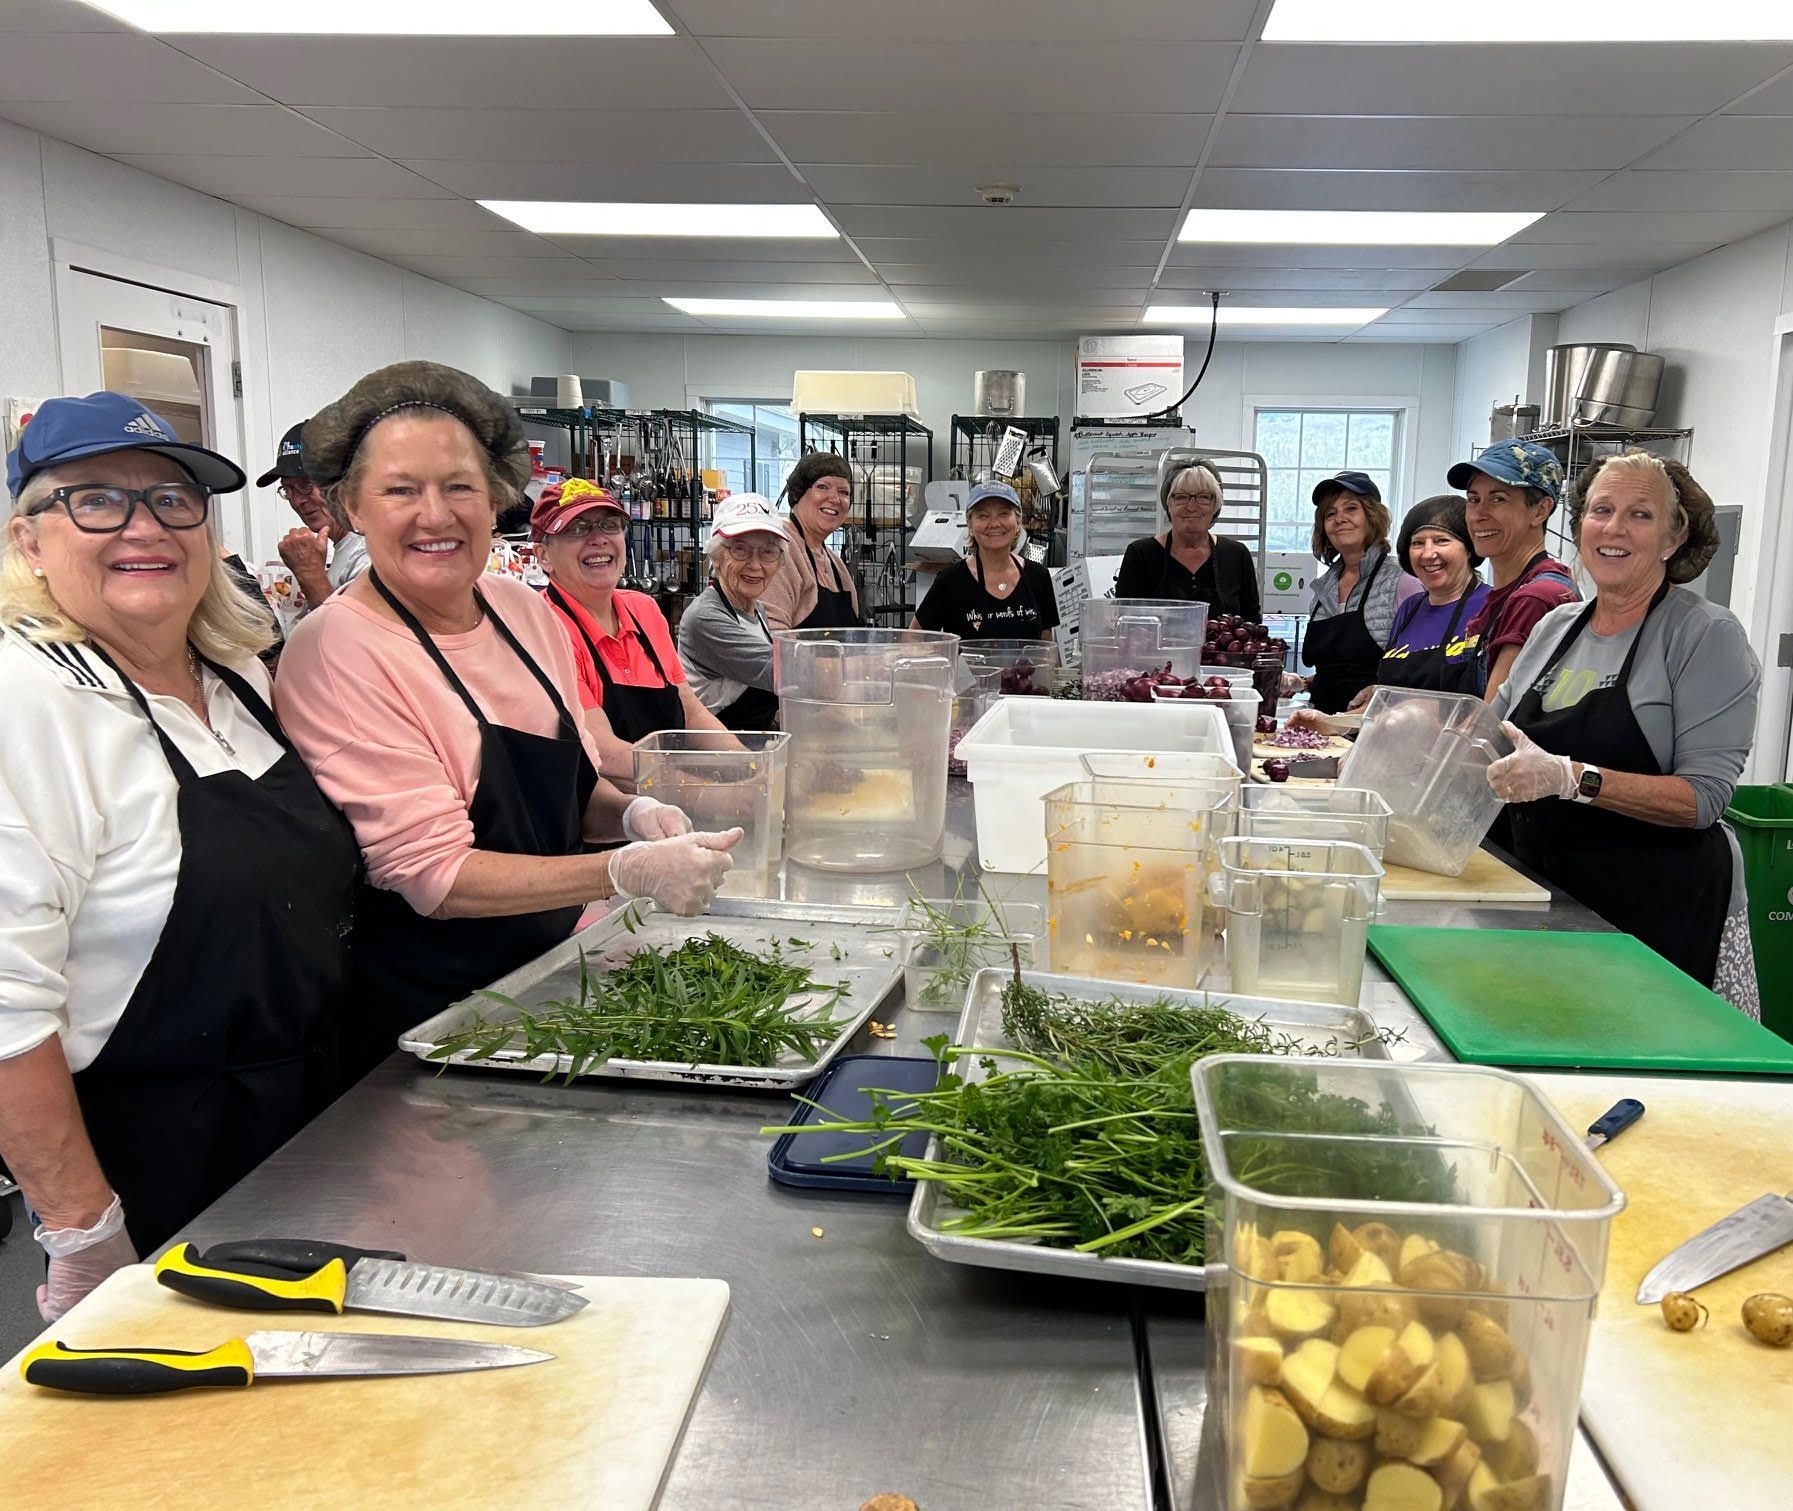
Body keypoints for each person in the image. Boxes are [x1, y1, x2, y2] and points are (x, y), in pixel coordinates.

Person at [274, 362, 740, 1082]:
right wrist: (625, 870)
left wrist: (633, 815)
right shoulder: (338, 649)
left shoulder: (523, 612)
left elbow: (566, 786)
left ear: (496, 499)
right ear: (350, 509)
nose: (435, 514)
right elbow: (435, 875)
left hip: (552, 983)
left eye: (459, 485)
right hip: (435, 1026)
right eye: (400, 489)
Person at [0, 392, 359, 1318]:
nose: (143, 526)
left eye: (172, 499)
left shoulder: (235, 672)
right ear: (28, 540)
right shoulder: (28, 699)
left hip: (304, 1130)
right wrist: (84, 1231)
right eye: (94, 500)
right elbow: (6, 1013)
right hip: (158, 1161)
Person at [1487, 451, 1761, 1009]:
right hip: (1551, 896)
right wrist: (1393, 729)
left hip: (1658, 913)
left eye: (1639, 515)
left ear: (1672, 537)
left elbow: (1703, 799)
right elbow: (1492, 738)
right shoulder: (1556, 626)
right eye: (1600, 510)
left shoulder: (1705, 634)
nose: (1613, 528)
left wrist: (1572, 778)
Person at [534, 476, 730, 782]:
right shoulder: (543, 628)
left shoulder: (644, 610)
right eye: (577, 528)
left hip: (672, 799)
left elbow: (690, 710)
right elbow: (604, 750)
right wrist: (704, 792)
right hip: (604, 818)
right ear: (544, 556)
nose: (598, 538)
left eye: (609, 525)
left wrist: (752, 768)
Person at [1447, 439, 1579, 703]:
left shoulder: (1536, 598)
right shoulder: (1506, 594)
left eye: (1498, 499)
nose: (1478, 514)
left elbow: (1491, 722)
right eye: (1473, 499)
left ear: (1540, 510)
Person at [1301, 471, 1421, 714]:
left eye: (1351, 509)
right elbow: (1336, 671)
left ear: (1372, 517)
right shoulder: (1322, 588)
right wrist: (1303, 683)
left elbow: (1418, 671)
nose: (1340, 519)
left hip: (1378, 724)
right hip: (1323, 724)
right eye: (1330, 514)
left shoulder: (1403, 580)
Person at [1362, 495, 1491, 701]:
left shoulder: (1491, 606)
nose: (1428, 554)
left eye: (1442, 540)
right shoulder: (1409, 608)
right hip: (1398, 731)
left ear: (1469, 549)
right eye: (1418, 543)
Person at [678, 493, 787, 730]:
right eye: (740, 550)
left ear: (779, 561)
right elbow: (781, 671)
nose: (755, 565)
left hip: (751, 749)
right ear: (716, 557)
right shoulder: (705, 617)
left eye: (767, 552)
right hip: (713, 757)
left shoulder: (757, 611)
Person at [913, 480, 1059, 641]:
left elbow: (1046, 646)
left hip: (1028, 667)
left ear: (1018, 522)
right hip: (967, 668)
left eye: (1004, 513)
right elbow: (913, 639)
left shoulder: (1038, 577)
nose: (994, 523)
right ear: (970, 524)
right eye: (983, 515)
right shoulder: (951, 581)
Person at [1114, 461, 1261, 618]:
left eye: (1203, 497)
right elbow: (1123, 621)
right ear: (1168, 504)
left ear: (1216, 506)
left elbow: (1252, 624)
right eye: (1181, 497)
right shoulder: (1141, 554)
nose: (1191, 506)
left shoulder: (1237, 555)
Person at [261, 420, 369, 610]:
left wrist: (308, 572)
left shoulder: (369, 554)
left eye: (305, 485)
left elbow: (356, 638)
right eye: (288, 490)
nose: (297, 501)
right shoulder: (346, 548)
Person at [760, 452, 862, 631]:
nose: (835, 499)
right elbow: (772, 638)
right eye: (823, 487)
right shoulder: (779, 549)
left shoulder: (835, 565)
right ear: (799, 492)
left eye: (844, 492)